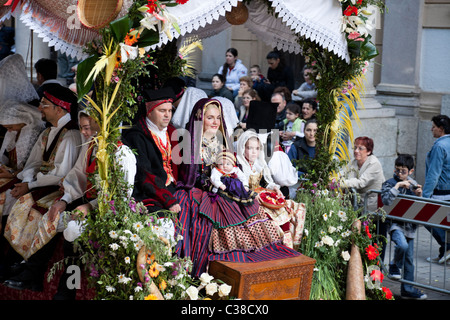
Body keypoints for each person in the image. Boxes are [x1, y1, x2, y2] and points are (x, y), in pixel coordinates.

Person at [174, 98, 299, 277]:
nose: (216, 122)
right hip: (204, 189)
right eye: (210, 118)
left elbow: (232, 167)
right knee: (218, 214)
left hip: (226, 187)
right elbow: (190, 176)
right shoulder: (191, 143)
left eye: (218, 117)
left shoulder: (221, 141)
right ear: (200, 118)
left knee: (248, 207)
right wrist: (213, 183)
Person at [2, 84, 81, 291]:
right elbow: (33, 164)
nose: (40, 109)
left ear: (59, 108)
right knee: (18, 204)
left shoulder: (71, 135)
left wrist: (29, 184)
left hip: (62, 188)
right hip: (42, 184)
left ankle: (32, 273)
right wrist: (24, 182)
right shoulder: (47, 133)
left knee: (36, 212)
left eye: (44, 105)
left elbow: (60, 174)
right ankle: (15, 264)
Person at [49, 110, 136, 300]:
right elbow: (78, 176)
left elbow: (121, 196)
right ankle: (68, 290)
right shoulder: (91, 146)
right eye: (83, 127)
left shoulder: (122, 153)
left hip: (112, 212)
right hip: (89, 203)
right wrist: (64, 200)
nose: (86, 132)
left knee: (73, 230)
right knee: (66, 228)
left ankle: (81, 291)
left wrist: (90, 207)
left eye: (89, 126)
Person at [236, 130, 305, 249]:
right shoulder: (239, 165)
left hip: (262, 196)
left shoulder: (259, 164)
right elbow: (240, 187)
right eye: (249, 148)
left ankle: (291, 246)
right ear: (243, 148)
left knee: (292, 209)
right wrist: (252, 194)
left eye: (257, 148)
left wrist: (274, 188)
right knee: (273, 219)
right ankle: (280, 248)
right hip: (248, 199)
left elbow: (266, 182)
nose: (253, 152)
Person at [0, 100, 45, 281]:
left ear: (22, 121)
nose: (9, 131)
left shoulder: (34, 133)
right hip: (13, 177)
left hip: (29, 180)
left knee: (7, 199)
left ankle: (8, 258)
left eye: (11, 127)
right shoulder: (13, 133)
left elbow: (32, 167)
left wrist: (11, 172)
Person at [123, 87, 181, 215]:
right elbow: (144, 174)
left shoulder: (172, 132)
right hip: (149, 191)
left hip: (173, 187)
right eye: (162, 111)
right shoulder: (137, 136)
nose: (167, 115)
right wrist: (168, 199)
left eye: (170, 111)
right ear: (149, 111)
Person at [380, 154, 427, 300]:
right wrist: (398, 186)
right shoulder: (389, 183)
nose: (399, 174)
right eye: (397, 170)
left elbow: (420, 206)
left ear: (411, 171)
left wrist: (419, 195)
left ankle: (407, 288)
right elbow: (386, 200)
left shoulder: (413, 184)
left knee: (409, 260)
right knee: (403, 246)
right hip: (395, 224)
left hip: (410, 227)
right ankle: (394, 265)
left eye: (403, 171)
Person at [422, 115, 450, 264]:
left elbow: (434, 174)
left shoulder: (439, 146)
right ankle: (443, 253)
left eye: (433, 126)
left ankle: (447, 246)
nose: (431, 129)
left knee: (425, 217)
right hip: (448, 191)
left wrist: (424, 197)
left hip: (441, 192)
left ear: (441, 129)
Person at [341, 136, 385, 212]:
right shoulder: (354, 161)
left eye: (360, 148)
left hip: (369, 206)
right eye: (355, 148)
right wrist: (333, 178)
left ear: (368, 151)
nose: (356, 151)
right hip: (353, 204)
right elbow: (342, 173)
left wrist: (340, 183)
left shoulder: (374, 164)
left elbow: (361, 182)